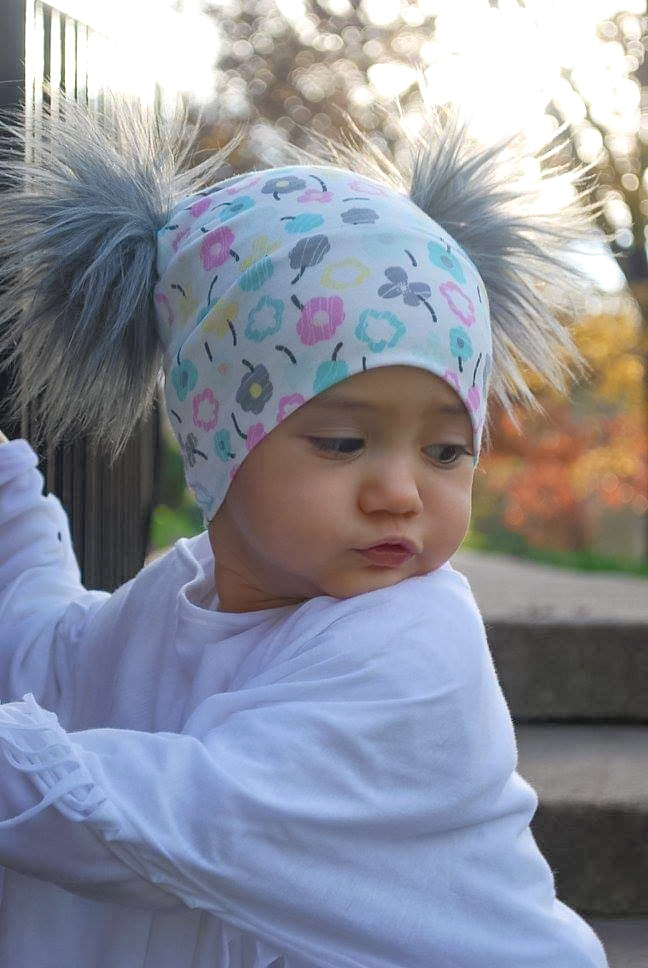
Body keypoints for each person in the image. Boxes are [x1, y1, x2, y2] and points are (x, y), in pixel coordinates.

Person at [0, 99, 607, 967]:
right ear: (220, 442)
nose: (400, 492)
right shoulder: (173, 597)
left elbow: (179, 820)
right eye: (342, 442)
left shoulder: (414, 649)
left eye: (445, 449)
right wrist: (12, 497)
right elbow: (49, 656)